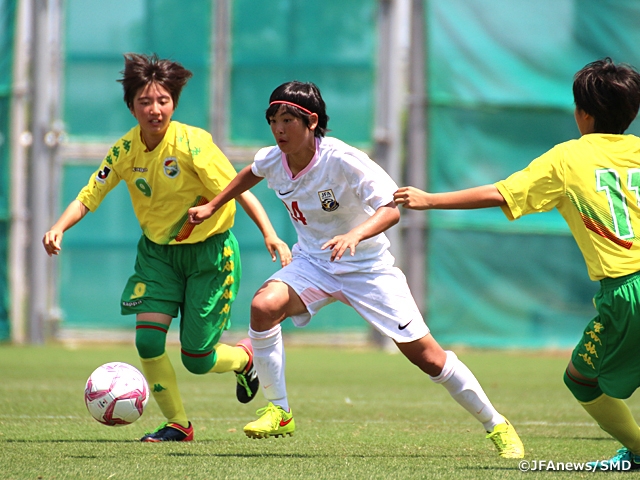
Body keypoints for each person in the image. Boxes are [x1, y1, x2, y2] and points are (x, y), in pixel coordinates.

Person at [188, 80, 525, 458]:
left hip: (367, 268)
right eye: (272, 120)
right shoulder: (274, 158)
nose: (279, 129)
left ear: (311, 121)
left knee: (428, 357)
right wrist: (213, 205)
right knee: (264, 306)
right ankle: (279, 411)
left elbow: (390, 208)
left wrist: (354, 235)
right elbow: (250, 172)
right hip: (314, 263)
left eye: (287, 119)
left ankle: (496, 424)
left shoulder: (343, 160)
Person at [394, 57, 640, 471]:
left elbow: (502, 193)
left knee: (581, 379)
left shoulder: (567, 158)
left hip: (627, 290)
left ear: (582, 113)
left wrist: (429, 199)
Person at [42, 53, 291, 442]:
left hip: (210, 255)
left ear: (173, 104)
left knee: (197, 359)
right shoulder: (125, 150)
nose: (154, 109)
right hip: (158, 255)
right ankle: (179, 424)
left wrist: (269, 233)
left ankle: (245, 358)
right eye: (145, 101)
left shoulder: (194, 143)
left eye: (163, 101)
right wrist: (58, 226)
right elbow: (90, 194)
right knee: (148, 340)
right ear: (131, 106)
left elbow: (238, 191)